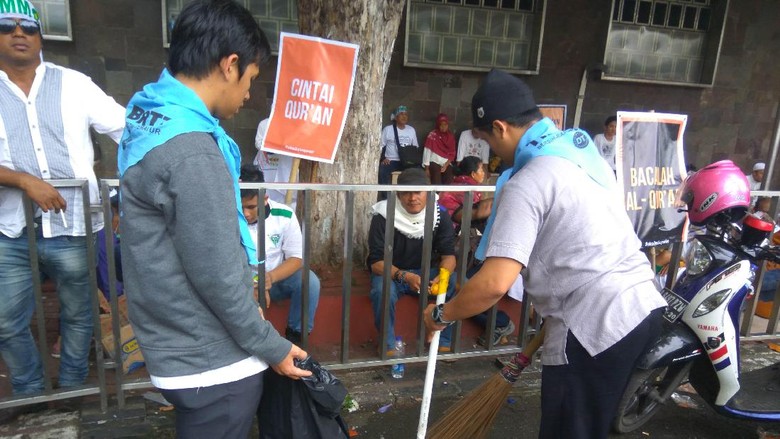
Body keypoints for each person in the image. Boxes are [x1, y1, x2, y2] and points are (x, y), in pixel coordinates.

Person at [424, 69, 666, 439]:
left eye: (487, 137)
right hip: (642, 309)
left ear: (501, 127)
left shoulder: (530, 180)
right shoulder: (582, 158)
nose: (491, 149)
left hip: (594, 325)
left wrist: (441, 314)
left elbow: (493, 283)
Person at [117, 1, 310, 437]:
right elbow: (218, 273)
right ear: (230, 65)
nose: (247, 95)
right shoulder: (191, 151)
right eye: (252, 80)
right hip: (209, 360)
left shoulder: (150, 116)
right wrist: (272, 346)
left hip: (176, 340)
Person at [0, 0, 126, 397]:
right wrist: (23, 181)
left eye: (29, 26)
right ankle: (31, 392)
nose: (19, 33)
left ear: (41, 36)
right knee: (6, 320)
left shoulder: (74, 84)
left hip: (73, 226)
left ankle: (71, 391)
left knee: (79, 314)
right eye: (7, 25)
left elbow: (126, 129)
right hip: (10, 228)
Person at [368, 168, 457, 352]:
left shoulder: (439, 214)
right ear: (398, 194)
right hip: (394, 273)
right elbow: (376, 261)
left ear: (428, 192)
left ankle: (442, 340)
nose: (412, 197)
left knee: (454, 282)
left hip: (428, 273)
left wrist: (443, 275)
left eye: (418, 191)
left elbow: (449, 256)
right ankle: (388, 345)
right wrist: (404, 276)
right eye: (407, 192)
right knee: (382, 290)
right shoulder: (384, 214)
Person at [239, 165, 321, 344]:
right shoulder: (228, 217)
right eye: (241, 207)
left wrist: (269, 278)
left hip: (274, 280)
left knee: (309, 281)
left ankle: (296, 338)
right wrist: (253, 285)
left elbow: (297, 258)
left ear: (265, 199)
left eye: (252, 207)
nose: (245, 213)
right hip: (240, 284)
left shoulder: (284, 214)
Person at [253, 117, 297, 207]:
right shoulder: (264, 123)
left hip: (287, 168)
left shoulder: (296, 125)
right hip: (268, 167)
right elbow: (258, 143)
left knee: (288, 204)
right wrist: (273, 146)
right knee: (268, 200)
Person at [378, 105, 419, 200]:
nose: (404, 116)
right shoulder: (388, 129)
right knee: (383, 171)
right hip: (391, 160)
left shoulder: (411, 130)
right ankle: (386, 199)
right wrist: (383, 158)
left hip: (407, 162)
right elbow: (380, 146)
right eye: (401, 114)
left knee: (416, 173)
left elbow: (415, 147)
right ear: (396, 117)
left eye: (406, 114)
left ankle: (409, 197)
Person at [423, 113, 456, 185]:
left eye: (445, 125)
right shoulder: (432, 135)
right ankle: (436, 195)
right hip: (434, 161)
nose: (443, 127)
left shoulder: (450, 137)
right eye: (441, 125)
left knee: (449, 176)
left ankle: (446, 195)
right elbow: (427, 151)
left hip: (446, 163)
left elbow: (452, 153)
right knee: (436, 175)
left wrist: (446, 165)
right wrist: (427, 168)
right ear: (438, 125)